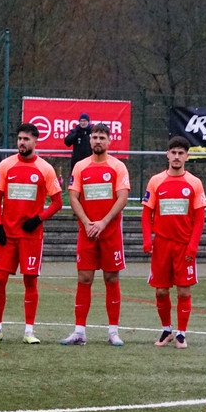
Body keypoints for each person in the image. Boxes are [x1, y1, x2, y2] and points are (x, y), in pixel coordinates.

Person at [0, 123, 63, 344]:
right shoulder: (6, 165)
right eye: (20, 138)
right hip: (7, 235)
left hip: (31, 236)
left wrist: (38, 219)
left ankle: (29, 331)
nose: (22, 142)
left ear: (35, 142)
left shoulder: (45, 169)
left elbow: (57, 202)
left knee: (30, 281)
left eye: (26, 139)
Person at [61, 123, 130, 346]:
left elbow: (122, 198)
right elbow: (73, 197)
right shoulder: (80, 166)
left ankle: (113, 332)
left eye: (102, 137)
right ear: (90, 141)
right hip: (87, 232)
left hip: (110, 233)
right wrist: (87, 222)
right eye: (94, 137)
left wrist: (103, 222)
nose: (98, 141)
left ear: (109, 141)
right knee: (84, 278)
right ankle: (79, 331)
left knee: (111, 278)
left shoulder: (118, 166)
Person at [141, 136, 206, 349]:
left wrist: (193, 246)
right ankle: (166, 330)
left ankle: (181, 334)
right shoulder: (156, 181)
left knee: (183, 291)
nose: (177, 157)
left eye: (181, 153)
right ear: (167, 155)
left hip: (184, 245)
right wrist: (147, 239)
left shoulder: (194, 183)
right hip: (161, 244)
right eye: (174, 153)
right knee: (161, 291)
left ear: (187, 156)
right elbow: (146, 213)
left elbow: (200, 218)